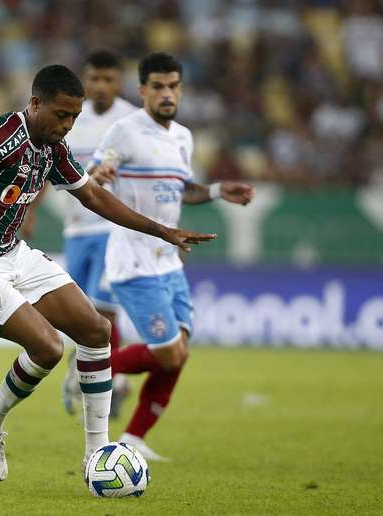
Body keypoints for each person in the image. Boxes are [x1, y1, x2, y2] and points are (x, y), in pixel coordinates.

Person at [0, 64, 215, 480]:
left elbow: (93, 195)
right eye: (61, 114)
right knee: (49, 348)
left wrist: (159, 228)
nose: (68, 124)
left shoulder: (53, 149)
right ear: (35, 103)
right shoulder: (1, 134)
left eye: (74, 116)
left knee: (96, 332)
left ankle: (98, 454)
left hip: (12, 253)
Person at [90, 52, 254, 461]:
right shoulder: (124, 131)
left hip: (170, 260)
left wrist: (216, 191)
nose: (167, 94)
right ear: (143, 90)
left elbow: (182, 188)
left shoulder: (182, 136)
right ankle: (94, 370)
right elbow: (96, 171)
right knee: (167, 352)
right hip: (133, 262)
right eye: (158, 86)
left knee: (179, 352)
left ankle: (132, 439)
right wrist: (102, 172)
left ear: (181, 89)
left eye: (173, 86)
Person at [56, 50, 137, 419]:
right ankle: (99, 370)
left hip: (112, 229)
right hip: (76, 229)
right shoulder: (71, 117)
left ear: (119, 83)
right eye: (94, 79)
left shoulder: (131, 122)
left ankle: (111, 379)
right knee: (80, 313)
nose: (101, 86)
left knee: (104, 310)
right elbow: (50, 160)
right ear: (85, 81)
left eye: (109, 79)